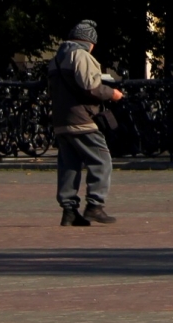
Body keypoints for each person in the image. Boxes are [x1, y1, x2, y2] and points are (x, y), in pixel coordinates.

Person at [50, 20, 122, 226]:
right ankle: (94, 205)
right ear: (89, 41)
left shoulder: (56, 59)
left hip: (61, 121)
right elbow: (90, 87)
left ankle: (69, 211)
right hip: (81, 120)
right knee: (101, 159)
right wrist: (112, 93)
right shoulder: (80, 55)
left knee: (69, 165)